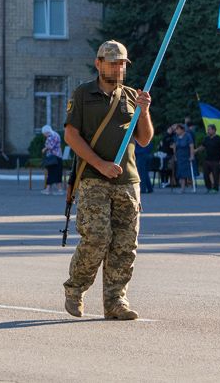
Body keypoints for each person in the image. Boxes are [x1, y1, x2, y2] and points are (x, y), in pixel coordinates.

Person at [62, 40, 153, 321]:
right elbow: (71, 136)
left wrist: (145, 110)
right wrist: (100, 164)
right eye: (112, 62)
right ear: (98, 63)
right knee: (97, 238)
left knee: (125, 244)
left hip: (127, 180)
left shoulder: (130, 97)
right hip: (93, 179)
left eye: (122, 63)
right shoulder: (83, 94)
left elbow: (145, 139)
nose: (118, 67)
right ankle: (75, 289)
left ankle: (115, 300)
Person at [196, 125, 220, 193]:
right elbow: (203, 146)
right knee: (205, 175)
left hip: (216, 160)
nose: (208, 131)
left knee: (216, 175)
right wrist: (196, 150)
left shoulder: (219, 139)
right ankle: (208, 188)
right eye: (207, 129)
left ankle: (215, 189)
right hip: (207, 160)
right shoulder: (206, 138)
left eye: (209, 129)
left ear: (214, 130)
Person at [41, 124, 64, 195]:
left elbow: (50, 146)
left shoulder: (51, 136)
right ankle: (48, 189)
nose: (44, 135)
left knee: (53, 173)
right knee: (53, 173)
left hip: (53, 158)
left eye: (44, 133)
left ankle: (59, 190)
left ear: (46, 132)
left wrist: (44, 149)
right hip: (57, 157)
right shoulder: (56, 134)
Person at [173, 123, 195, 193]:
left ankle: (192, 186)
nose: (176, 131)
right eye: (176, 129)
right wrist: (175, 156)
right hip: (180, 156)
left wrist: (192, 155)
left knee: (188, 173)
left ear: (182, 129)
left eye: (178, 129)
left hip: (186, 156)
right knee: (181, 173)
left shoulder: (188, 136)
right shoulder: (177, 137)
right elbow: (175, 147)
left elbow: (191, 146)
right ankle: (182, 188)